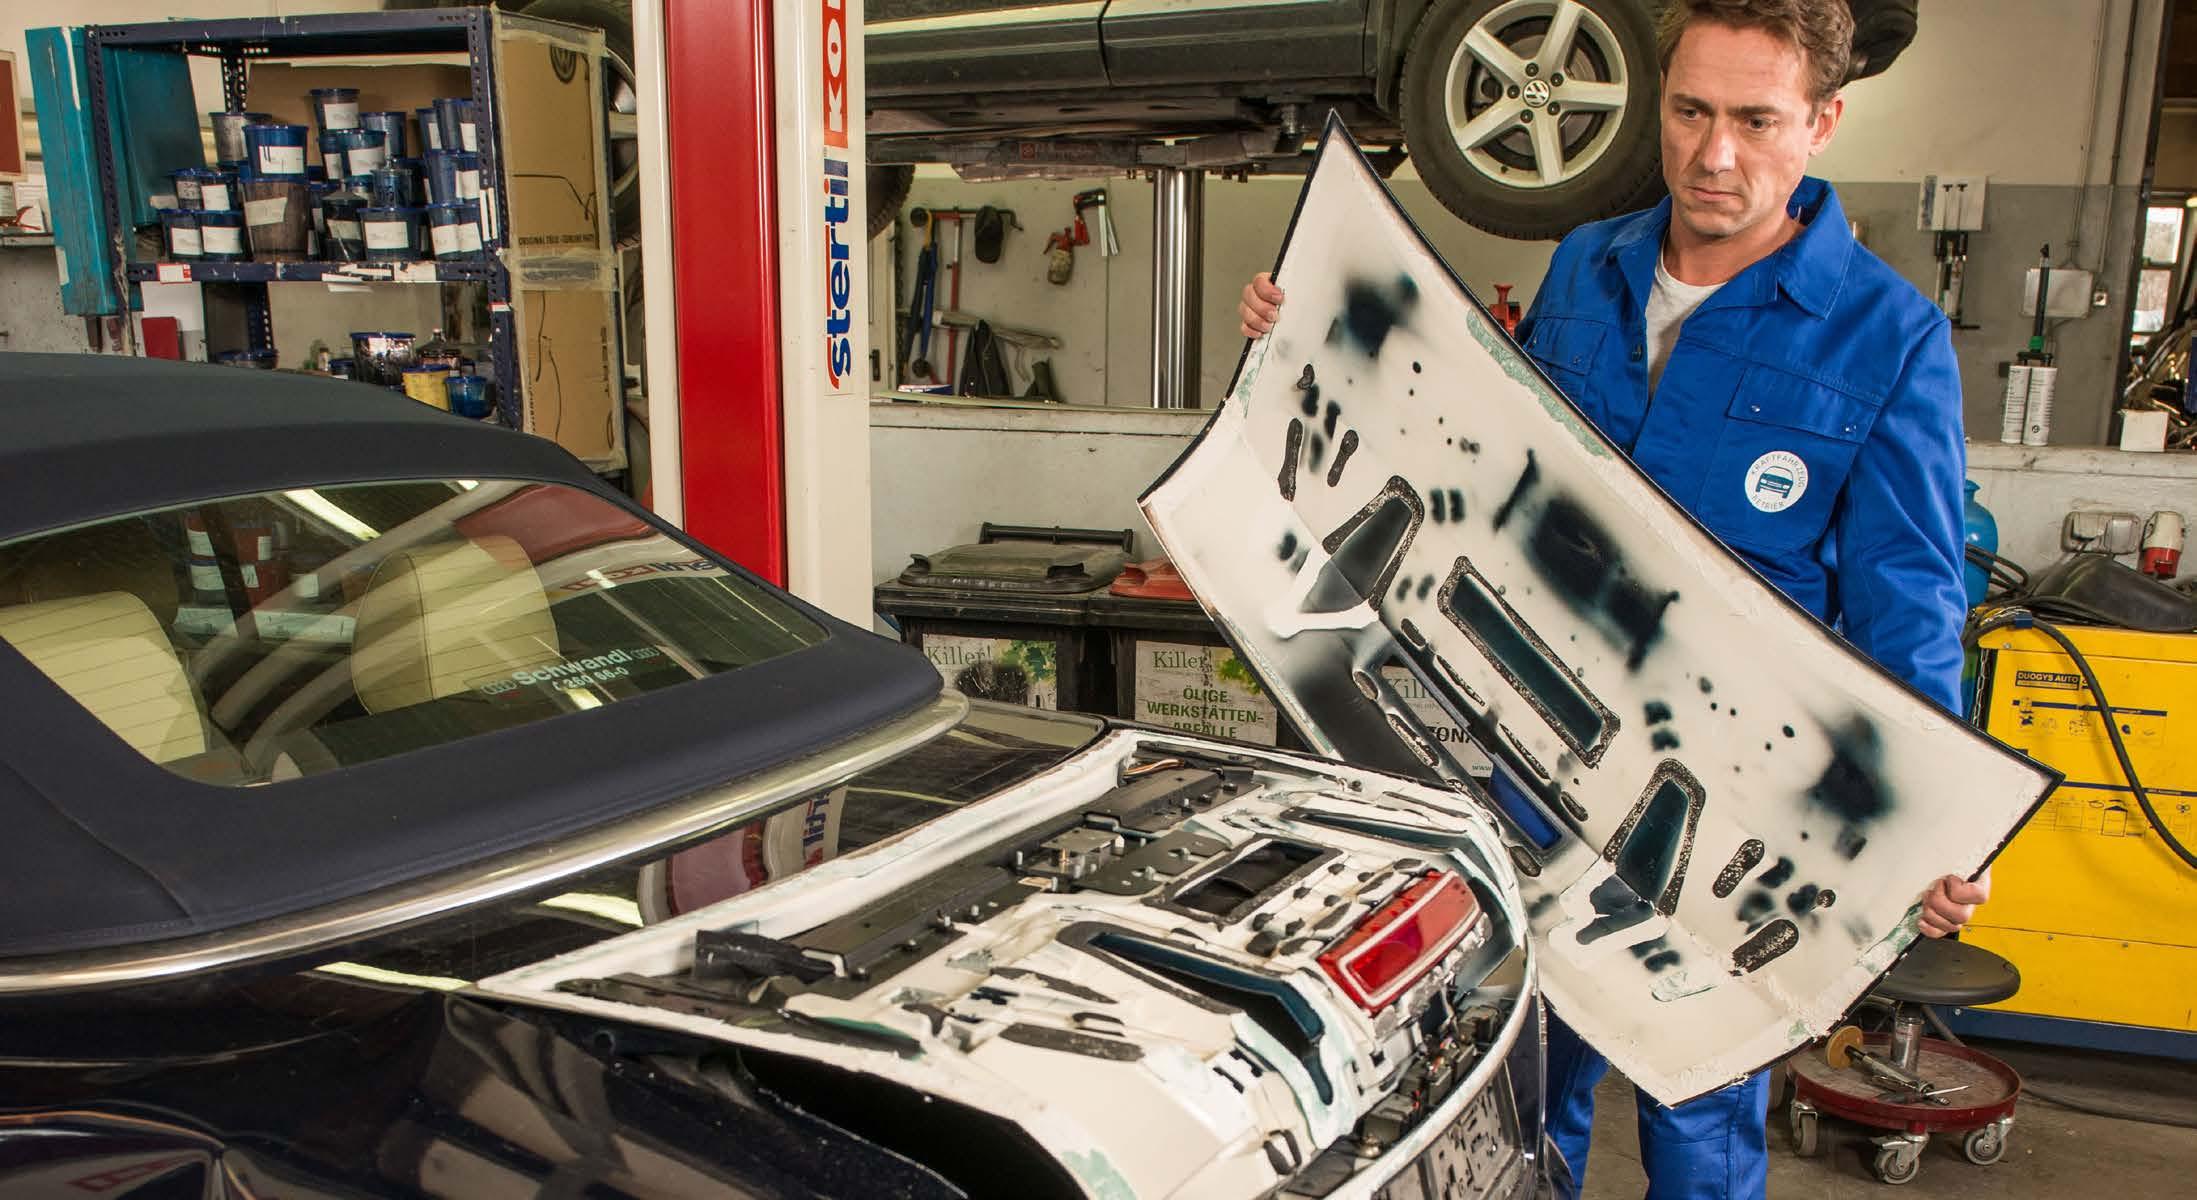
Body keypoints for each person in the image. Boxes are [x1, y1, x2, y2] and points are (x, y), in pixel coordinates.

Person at [1239, 1, 1989, 1195]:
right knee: (1522, 1083)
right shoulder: (1587, 266)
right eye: (1689, 111)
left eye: (1755, 120)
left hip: (1722, 810)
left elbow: (1910, 603)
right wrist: (1304, 333)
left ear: (1822, 122)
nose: (1712, 154)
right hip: (1535, 758)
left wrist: (1941, 828)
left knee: (1700, 1115)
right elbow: (1475, 453)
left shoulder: (1886, 335)